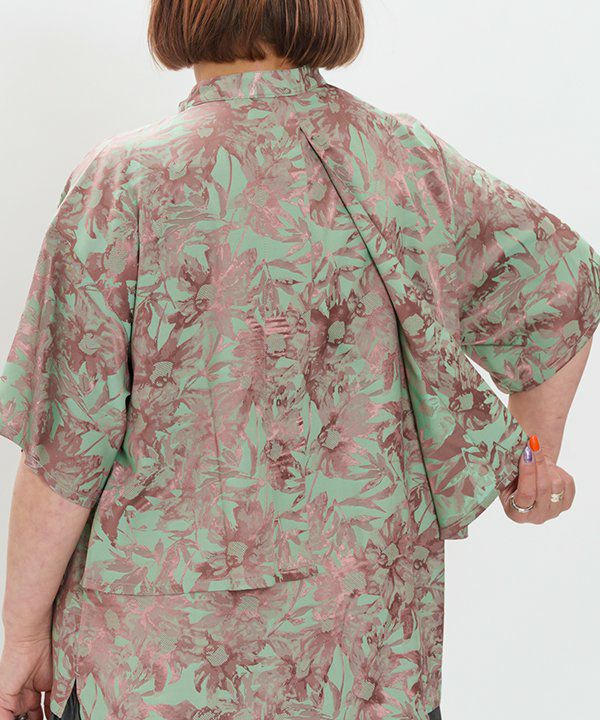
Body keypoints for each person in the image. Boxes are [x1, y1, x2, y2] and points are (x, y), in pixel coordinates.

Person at [0, 1, 598, 719]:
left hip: (158, 666)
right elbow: (560, 284)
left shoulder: (125, 181)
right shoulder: (405, 160)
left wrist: (21, 632)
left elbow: (67, 447)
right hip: (370, 658)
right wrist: (533, 460)